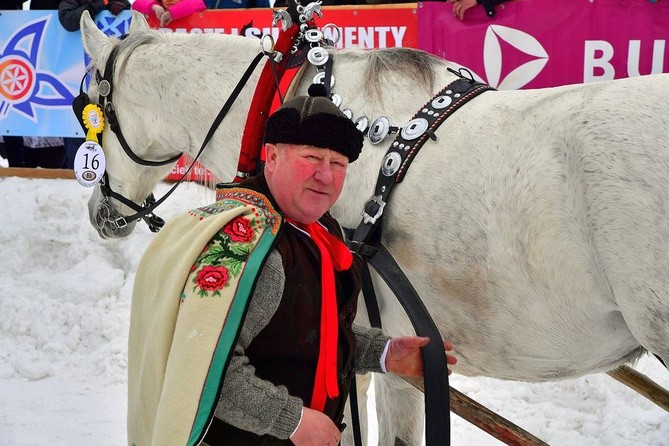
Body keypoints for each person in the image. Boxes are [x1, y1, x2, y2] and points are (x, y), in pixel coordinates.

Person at [202, 94, 457, 444]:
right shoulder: (244, 242)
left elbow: (308, 334)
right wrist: (291, 421)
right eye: (312, 158)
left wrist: (384, 353)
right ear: (272, 156)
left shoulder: (319, 229)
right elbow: (206, 367)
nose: (325, 176)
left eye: (338, 164)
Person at [58, 0, 131, 32]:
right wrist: (92, 7)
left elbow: (126, 8)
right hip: (80, 54)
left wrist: (122, 8)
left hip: (110, 49)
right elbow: (67, 20)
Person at [132, 0, 206, 27]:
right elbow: (136, 4)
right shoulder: (158, 5)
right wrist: (154, 6)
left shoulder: (194, 3)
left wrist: (173, 13)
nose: (170, 0)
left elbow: (199, 3)